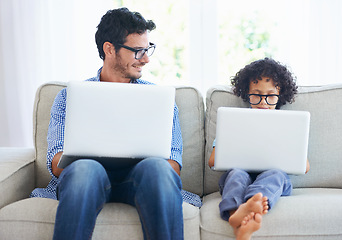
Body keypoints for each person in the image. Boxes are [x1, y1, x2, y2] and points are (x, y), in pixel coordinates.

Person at [30, 7, 201, 240]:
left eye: (148, 49)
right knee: (83, 170)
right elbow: (57, 164)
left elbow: (173, 166)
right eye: (138, 51)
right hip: (89, 178)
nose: (147, 59)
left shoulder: (160, 100)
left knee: (158, 169)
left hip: (141, 180)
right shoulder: (69, 97)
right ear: (109, 49)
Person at [208, 58, 310, 240]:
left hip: (273, 179)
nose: (263, 102)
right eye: (256, 95)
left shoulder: (288, 125)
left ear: (280, 95)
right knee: (236, 174)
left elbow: (305, 166)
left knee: (275, 175)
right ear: (246, 94)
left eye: (271, 96)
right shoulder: (234, 122)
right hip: (239, 175)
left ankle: (247, 207)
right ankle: (238, 217)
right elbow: (212, 161)